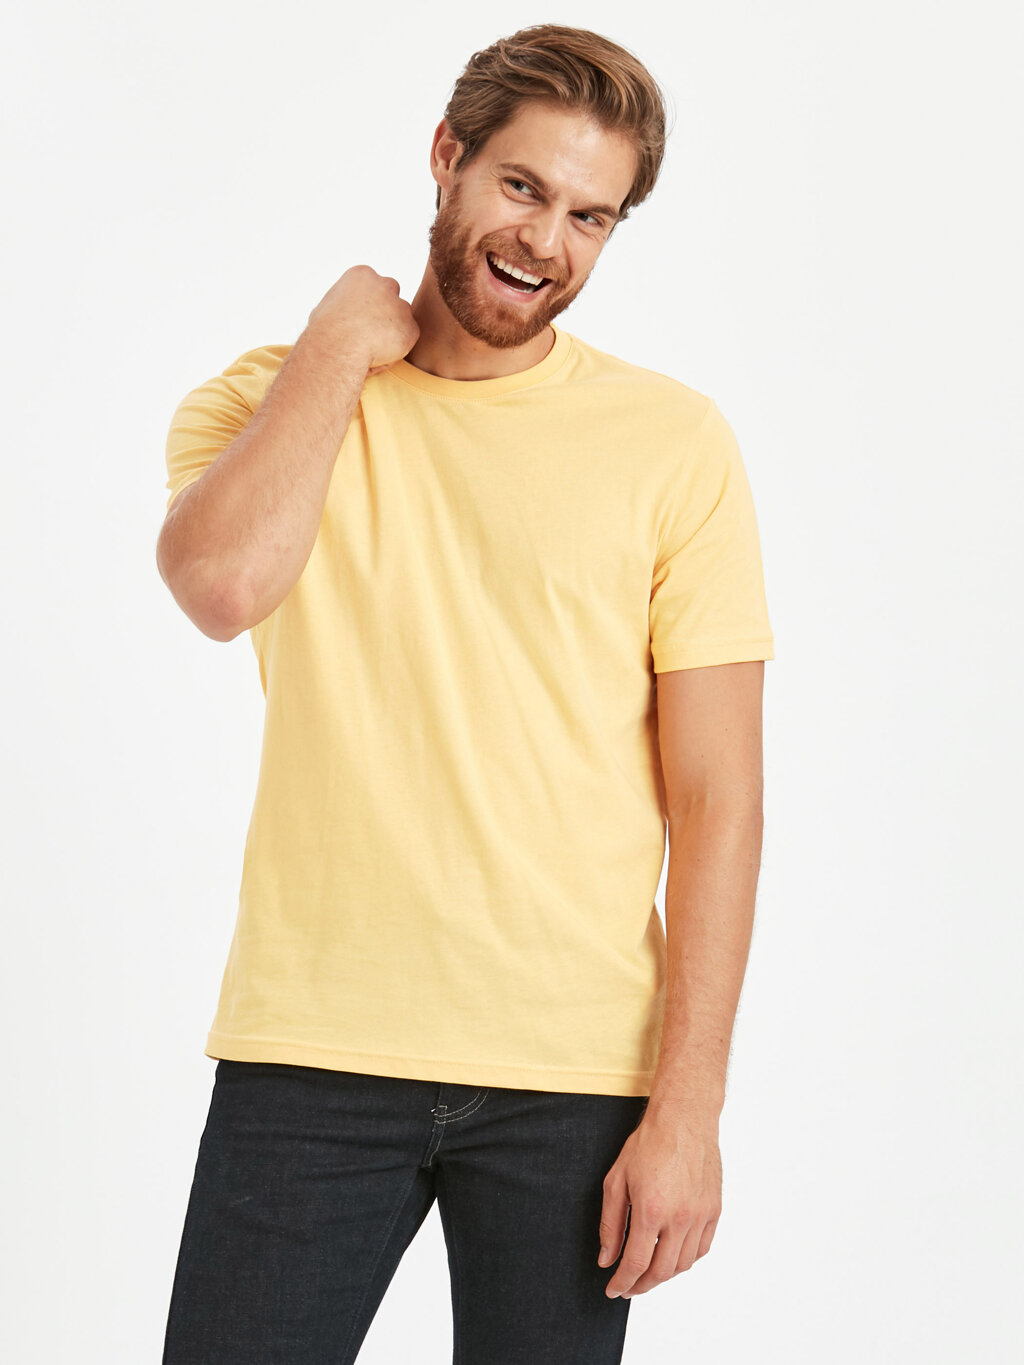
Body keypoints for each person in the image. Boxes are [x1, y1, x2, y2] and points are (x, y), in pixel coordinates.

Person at [156, 23, 774, 1365]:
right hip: (312, 1050)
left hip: (575, 1074)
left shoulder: (674, 444)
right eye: (521, 187)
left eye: (590, 216)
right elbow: (220, 584)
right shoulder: (270, 402)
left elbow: (720, 798)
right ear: (447, 156)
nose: (545, 241)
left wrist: (689, 1110)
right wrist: (337, 352)